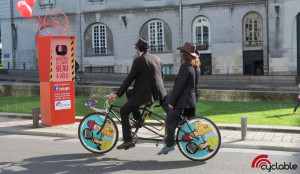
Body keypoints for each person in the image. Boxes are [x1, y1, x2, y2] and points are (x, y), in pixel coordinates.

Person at [108, 38, 167, 150]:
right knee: (130, 93)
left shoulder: (139, 60)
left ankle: (128, 140)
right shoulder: (157, 58)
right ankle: (138, 119)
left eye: (135, 48)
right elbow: (161, 77)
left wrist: (118, 94)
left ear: (137, 48)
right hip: (159, 93)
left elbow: (129, 79)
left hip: (145, 95)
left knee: (123, 111)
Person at [158, 42, 201, 155]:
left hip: (183, 100)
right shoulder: (196, 67)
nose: (180, 53)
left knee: (170, 119)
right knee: (186, 122)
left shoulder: (185, 66)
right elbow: (195, 87)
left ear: (184, 54)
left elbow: (178, 87)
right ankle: (179, 121)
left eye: (181, 52)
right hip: (191, 100)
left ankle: (170, 145)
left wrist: (172, 103)